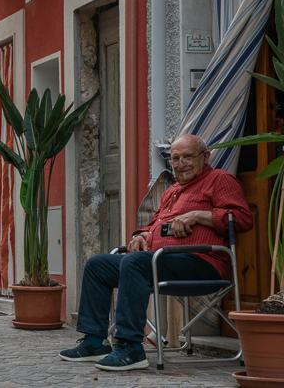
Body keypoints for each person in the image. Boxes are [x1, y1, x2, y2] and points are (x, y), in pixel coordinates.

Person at [59, 134, 254, 371]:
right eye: (175, 159)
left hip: (202, 262)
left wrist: (199, 215)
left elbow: (243, 219)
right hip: (160, 260)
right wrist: (140, 236)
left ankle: (131, 346)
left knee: (135, 262)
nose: (180, 164)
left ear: (205, 156)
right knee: (98, 264)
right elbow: (152, 224)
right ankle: (94, 342)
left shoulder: (219, 180)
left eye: (187, 157)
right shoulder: (170, 191)